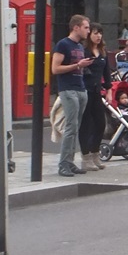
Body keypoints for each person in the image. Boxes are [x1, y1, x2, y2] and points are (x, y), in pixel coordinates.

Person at [50, 14, 93, 178]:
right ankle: (63, 164)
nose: (88, 31)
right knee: (71, 126)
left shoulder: (80, 47)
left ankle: (69, 162)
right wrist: (77, 65)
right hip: (68, 89)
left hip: (81, 88)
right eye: (86, 27)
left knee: (76, 127)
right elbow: (55, 69)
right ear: (76, 27)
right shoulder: (63, 45)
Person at [78, 23, 111, 171]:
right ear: (89, 35)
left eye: (100, 33)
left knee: (100, 123)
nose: (98, 36)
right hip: (85, 91)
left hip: (97, 91)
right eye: (95, 33)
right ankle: (85, 158)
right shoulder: (83, 51)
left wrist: (109, 90)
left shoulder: (103, 52)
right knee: (86, 124)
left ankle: (95, 153)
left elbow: (107, 74)